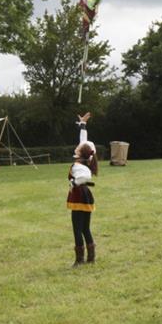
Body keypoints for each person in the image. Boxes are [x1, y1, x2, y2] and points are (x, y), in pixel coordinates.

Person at [67, 112, 98, 266]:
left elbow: (85, 177)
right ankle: (91, 258)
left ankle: (79, 260)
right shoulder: (86, 160)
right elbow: (83, 141)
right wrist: (83, 125)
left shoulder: (80, 166)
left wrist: (74, 183)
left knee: (77, 228)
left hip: (79, 195)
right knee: (85, 227)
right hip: (85, 195)